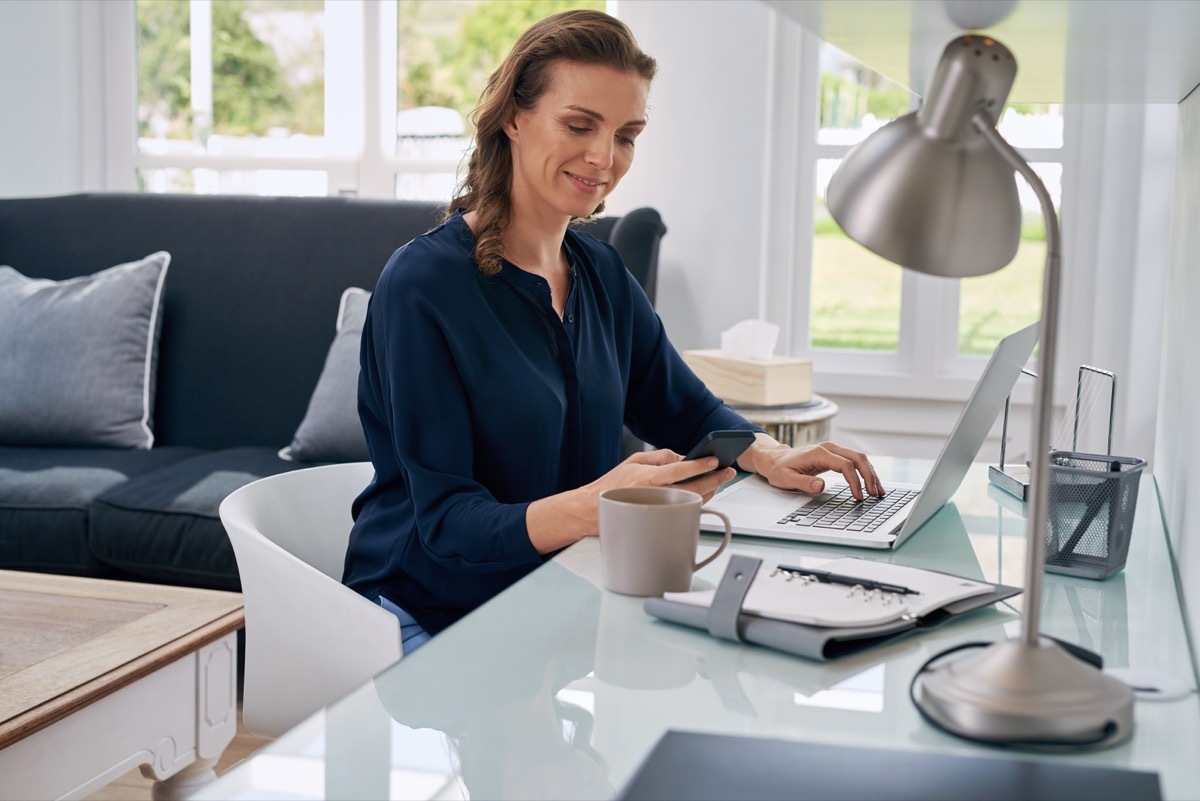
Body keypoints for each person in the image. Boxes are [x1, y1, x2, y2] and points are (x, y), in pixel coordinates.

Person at [343, 9, 883, 653]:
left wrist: (772, 455)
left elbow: (683, 408)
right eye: (579, 125)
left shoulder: (600, 269)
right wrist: (601, 503)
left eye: (627, 134)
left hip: (558, 596)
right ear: (512, 117)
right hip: (426, 608)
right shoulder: (423, 285)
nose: (605, 157)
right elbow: (447, 525)